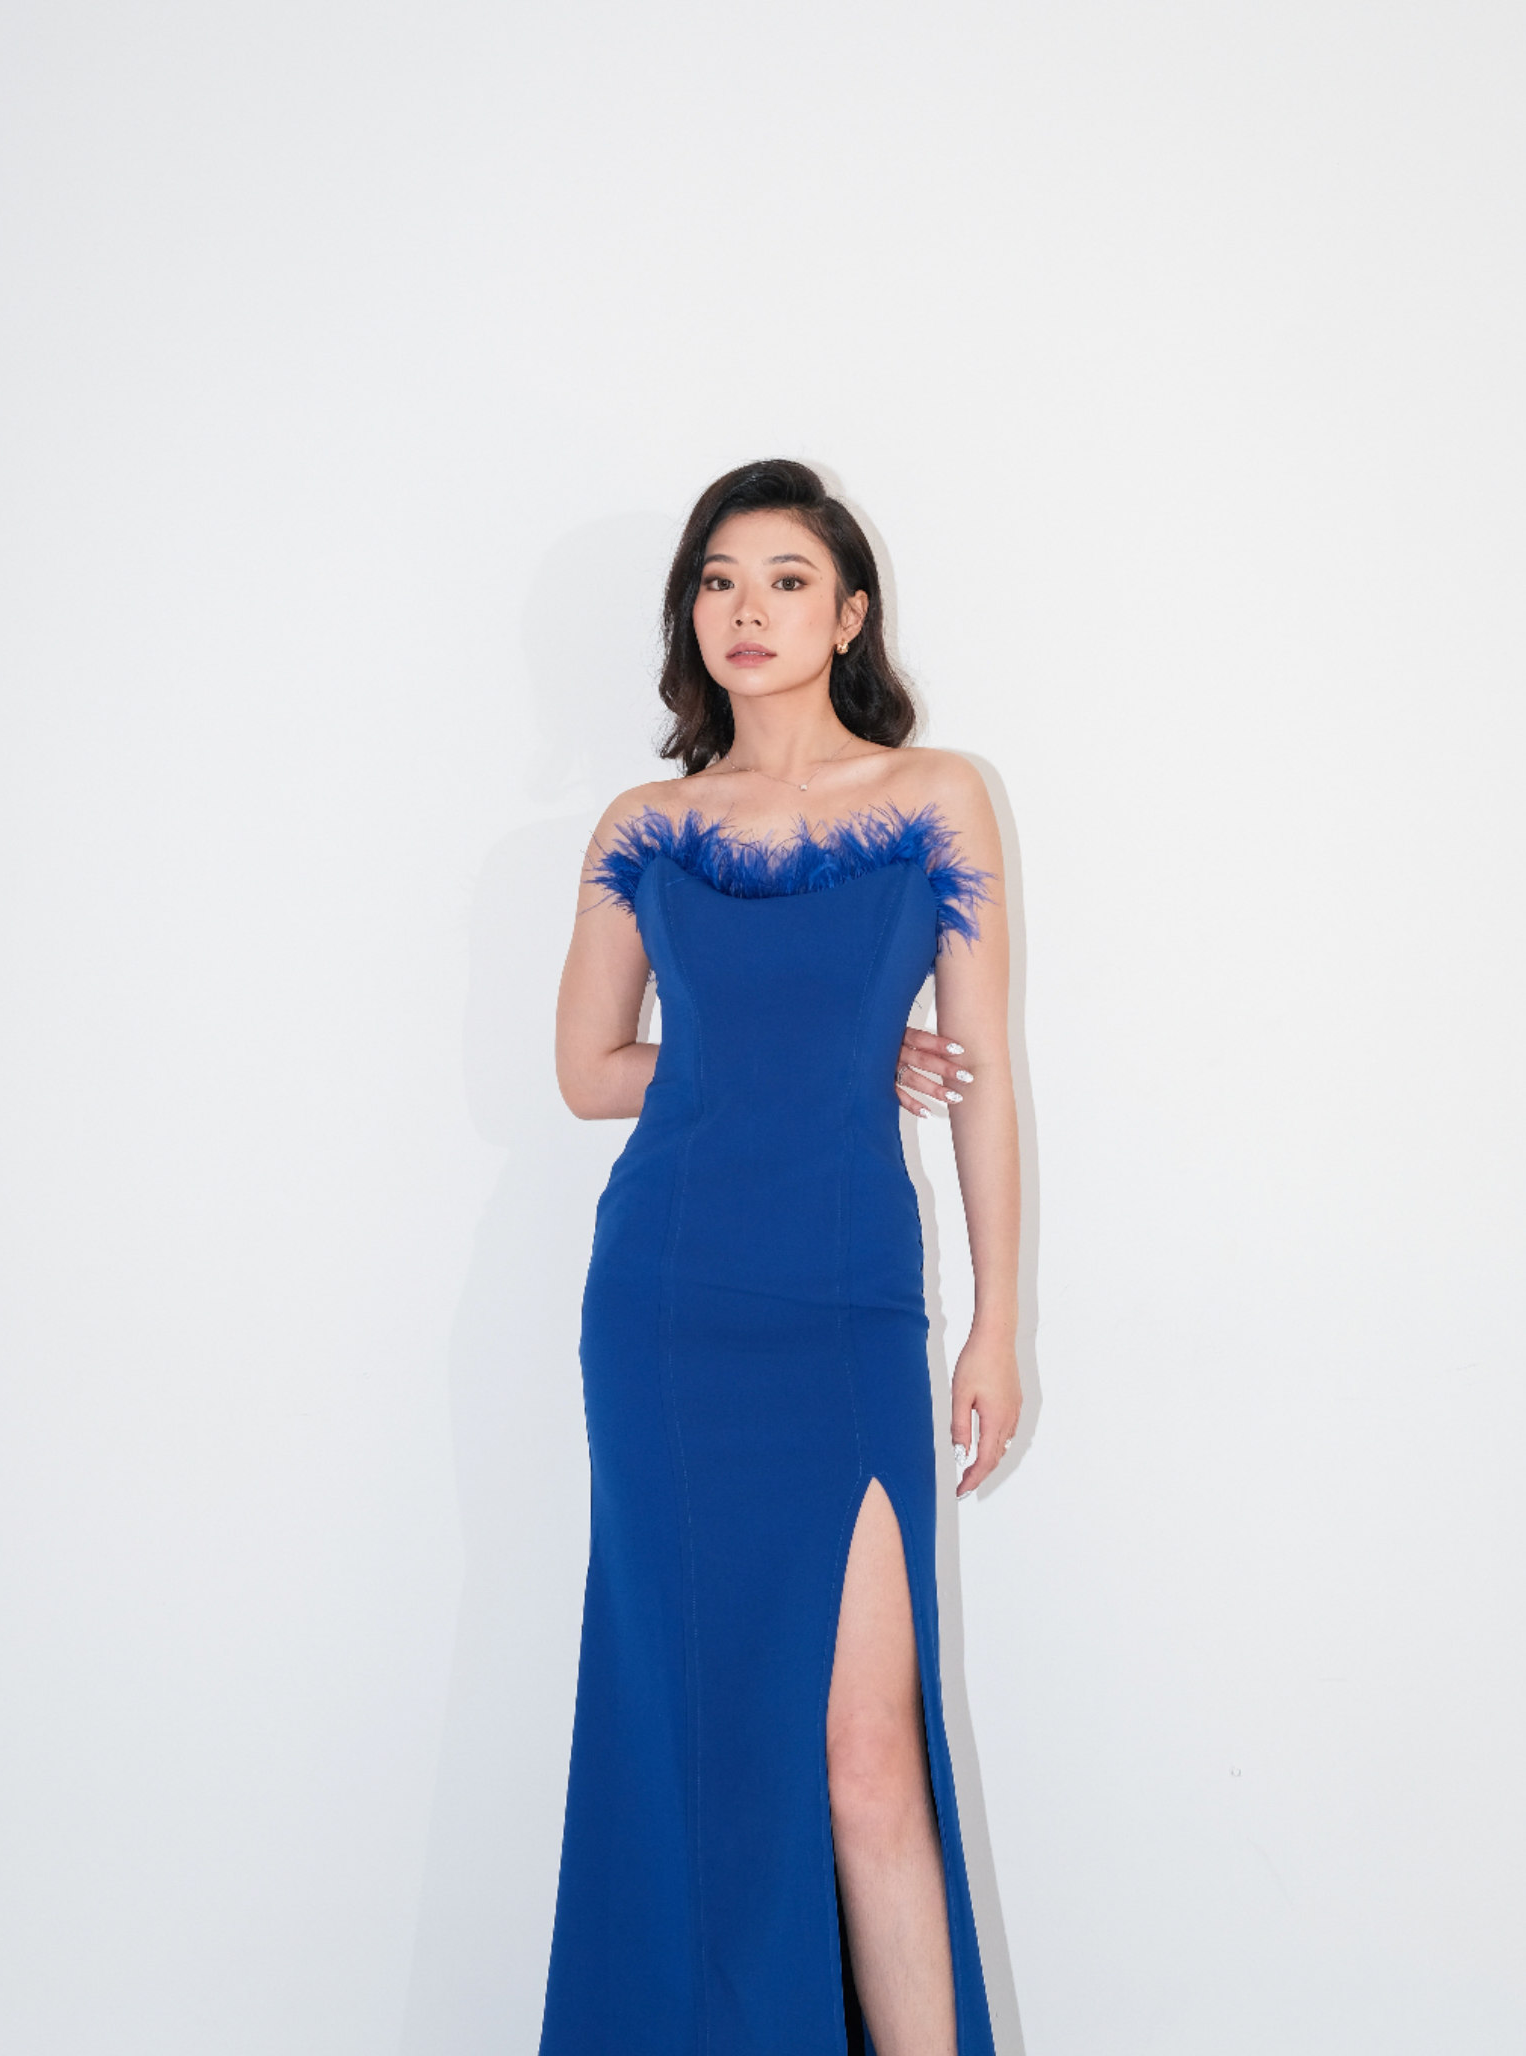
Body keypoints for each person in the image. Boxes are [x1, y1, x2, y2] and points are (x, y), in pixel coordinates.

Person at [542, 459, 1022, 2056]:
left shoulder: (936, 797)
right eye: (720, 580)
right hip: (670, 1309)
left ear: (850, 614)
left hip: (848, 1307)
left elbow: (987, 1076)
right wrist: (791, 1053)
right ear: (692, 614)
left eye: (788, 580)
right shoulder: (647, 827)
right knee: (703, 1739)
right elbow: (589, 1070)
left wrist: (997, 1322)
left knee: (870, 1753)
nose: (748, 609)